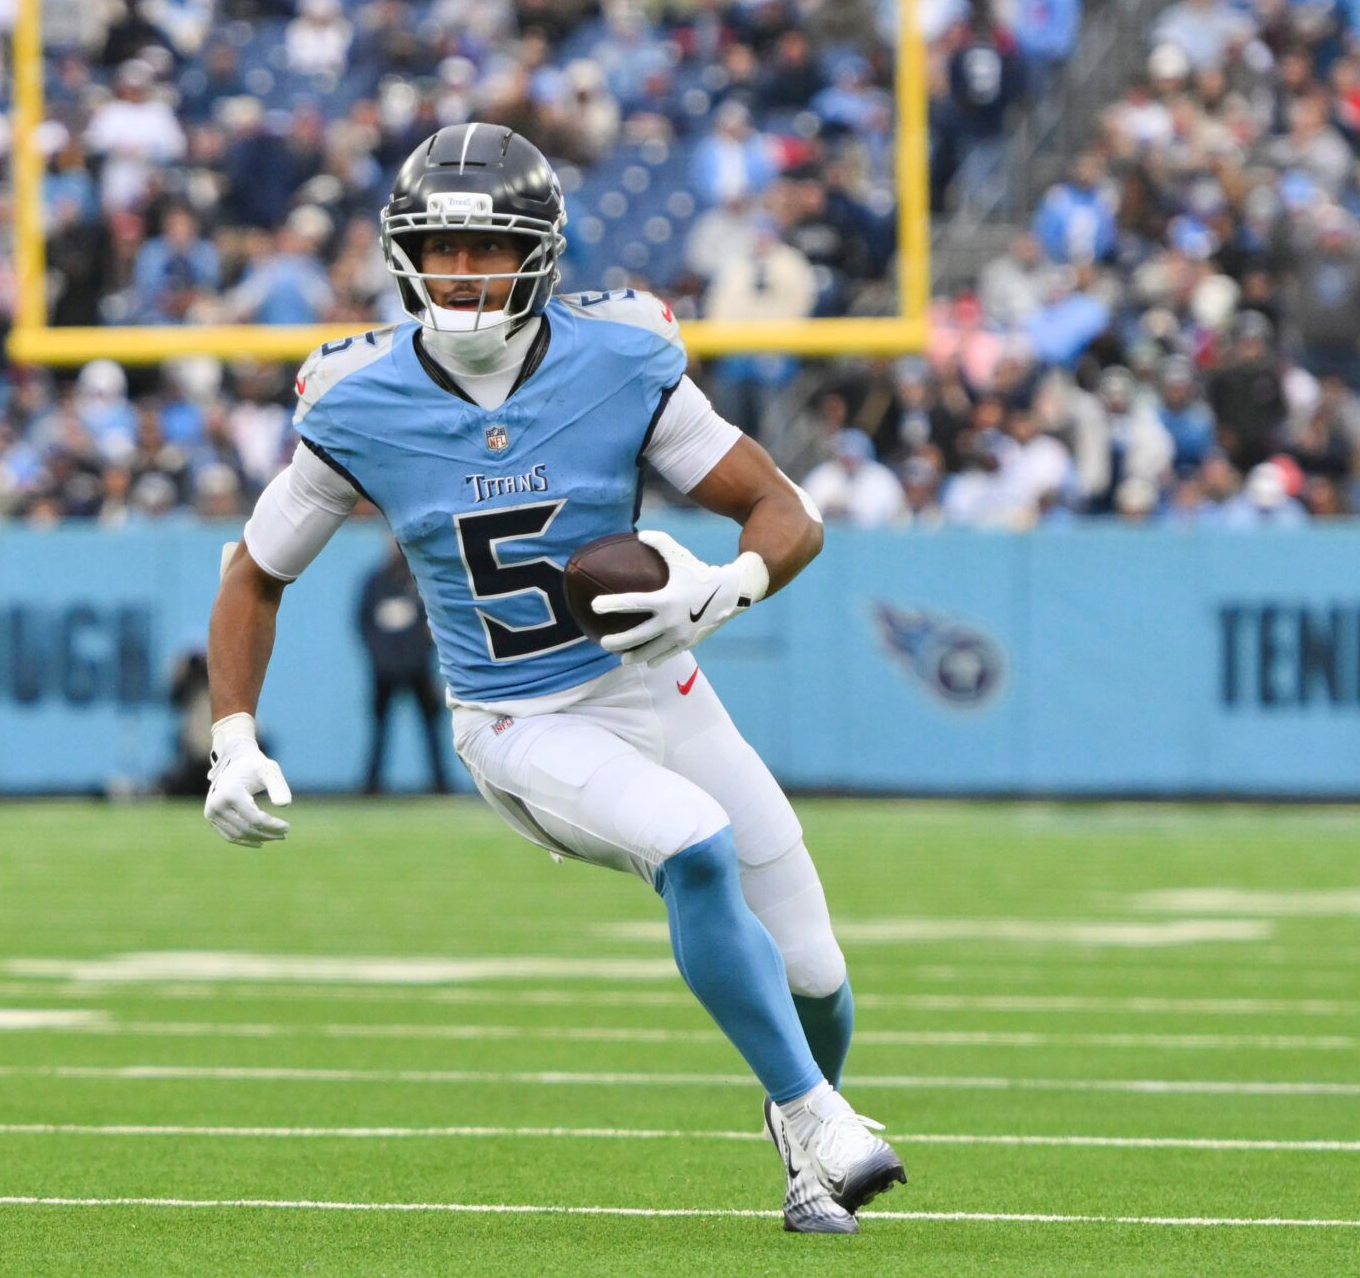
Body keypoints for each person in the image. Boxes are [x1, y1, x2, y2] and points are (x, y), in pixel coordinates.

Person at [201, 124, 903, 1235]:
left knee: (815, 967)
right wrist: (233, 736)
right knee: (694, 844)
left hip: (655, 684)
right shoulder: (358, 396)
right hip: (516, 716)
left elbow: (786, 511)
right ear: (403, 254)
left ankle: (802, 1152)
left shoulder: (619, 357)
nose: (461, 271)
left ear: (540, 252)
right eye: (441, 246)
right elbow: (253, 574)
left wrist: (723, 589)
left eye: (488, 246)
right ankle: (816, 1115)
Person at [356, 542, 450, 794]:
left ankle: (440, 784)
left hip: (417, 668)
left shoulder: (420, 582)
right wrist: (380, 657)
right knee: (380, 727)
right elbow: (363, 624)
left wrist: (421, 653)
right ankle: (372, 785)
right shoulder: (376, 582)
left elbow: (435, 621)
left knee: (430, 726)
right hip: (384, 670)